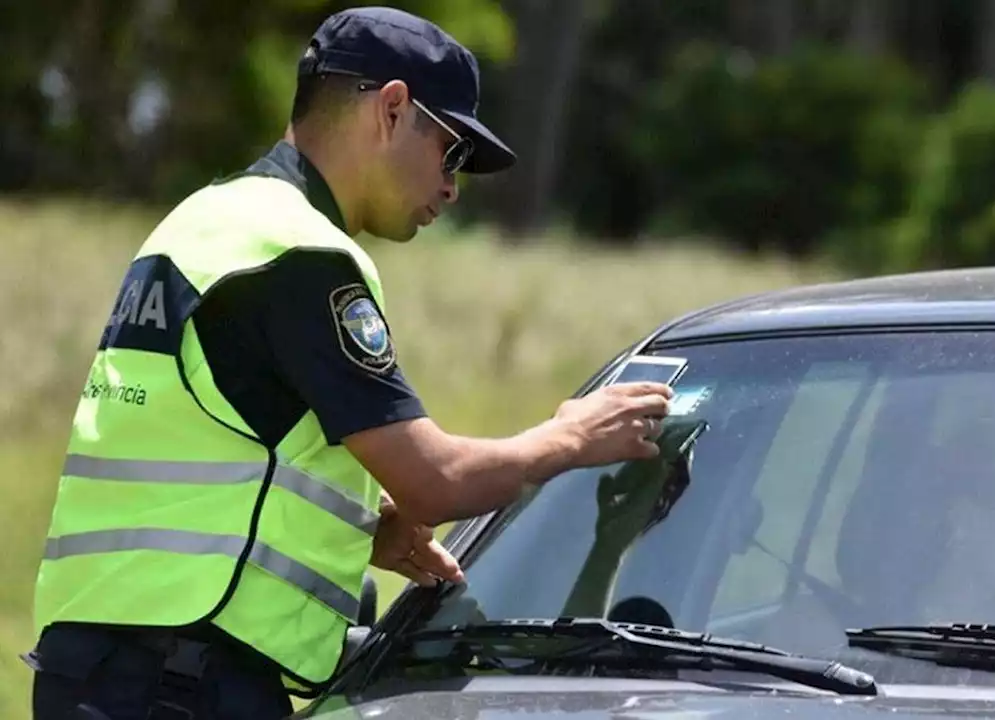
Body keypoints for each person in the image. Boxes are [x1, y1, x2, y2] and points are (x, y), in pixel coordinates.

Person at [24, 6, 672, 719]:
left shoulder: (204, 223)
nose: (453, 187)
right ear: (392, 110)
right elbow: (435, 480)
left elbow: (205, 454)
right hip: (183, 684)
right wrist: (570, 438)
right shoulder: (300, 254)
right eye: (452, 151)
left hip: (96, 668)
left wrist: (359, 531)